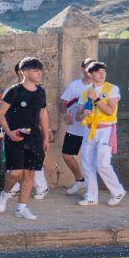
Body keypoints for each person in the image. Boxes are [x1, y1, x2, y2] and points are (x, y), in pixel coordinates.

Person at [0, 58, 51, 221]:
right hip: (16, 137)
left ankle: (21, 208)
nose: (39, 73)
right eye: (35, 70)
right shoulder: (14, 91)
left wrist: (46, 136)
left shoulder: (41, 92)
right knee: (14, 173)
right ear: (24, 72)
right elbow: (0, 113)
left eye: (40, 70)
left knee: (29, 173)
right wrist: (9, 132)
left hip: (34, 138)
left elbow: (43, 113)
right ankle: (5, 193)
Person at [77, 61, 126, 207]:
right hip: (89, 130)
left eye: (103, 71)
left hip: (106, 130)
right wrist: (83, 114)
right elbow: (78, 116)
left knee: (102, 163)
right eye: (98, 72)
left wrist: (96, 99)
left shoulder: (112, 89)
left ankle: (117, 191)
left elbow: (110, 111)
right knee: (87, 163)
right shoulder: (86, 92)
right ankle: (91, 196)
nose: (102, 74)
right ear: (90, 74)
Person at [59, 58, 93, 196]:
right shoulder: (75, 85)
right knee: (67, 156)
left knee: (89, 159)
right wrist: (66, 114)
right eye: (88, 67)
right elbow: (62, 103)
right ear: (82, 69)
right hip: (75, 129)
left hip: (91, 130)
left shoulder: (99, 87)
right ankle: (80, 181)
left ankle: (91, 191)